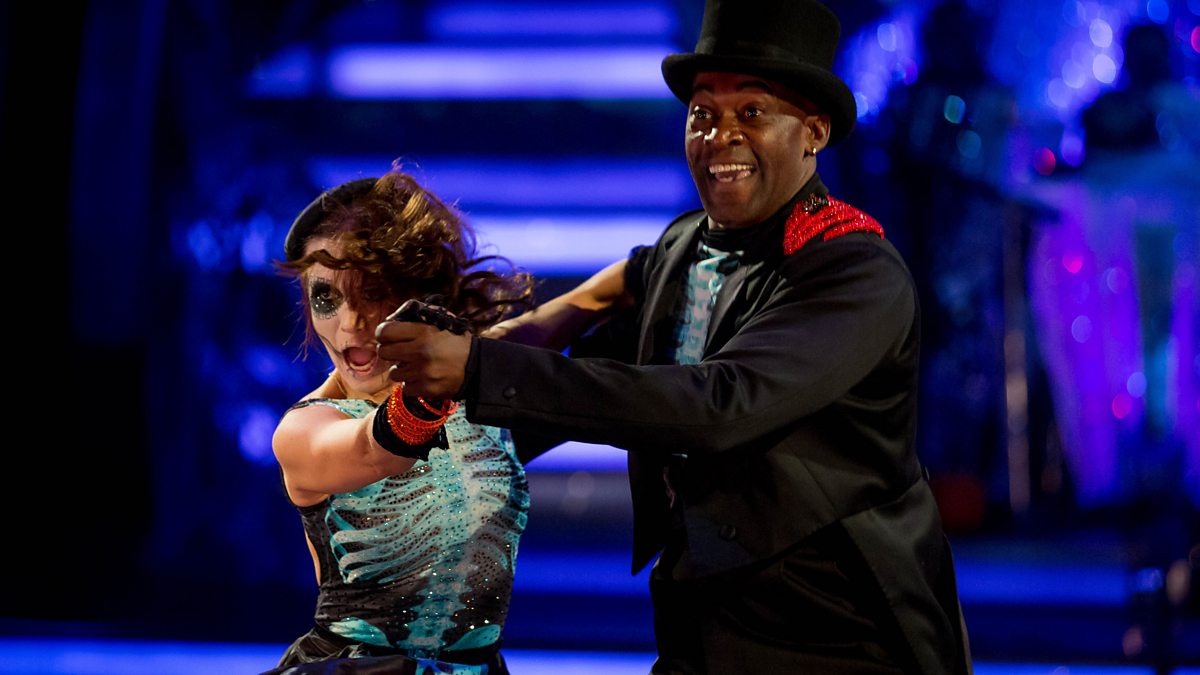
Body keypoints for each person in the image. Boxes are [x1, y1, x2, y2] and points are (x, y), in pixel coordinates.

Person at [378, 0, 972, 672]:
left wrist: (481, 366)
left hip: (835, 626)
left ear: (813, 132)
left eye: (752, 111)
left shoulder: (854, 269)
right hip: (703, 617)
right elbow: (590, 383)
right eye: (703, 114)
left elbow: (718, 404)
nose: (720, 136)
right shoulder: (684, 245)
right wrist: (406, 445)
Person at [265, 171, 533, 674]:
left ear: (418, 293)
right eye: (326, 298)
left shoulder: (471, 382)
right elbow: (376, 450)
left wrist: (634, 274)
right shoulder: (303, 430)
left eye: (372, 293)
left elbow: (565, 319)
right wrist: (434, 387)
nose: (349, 324)